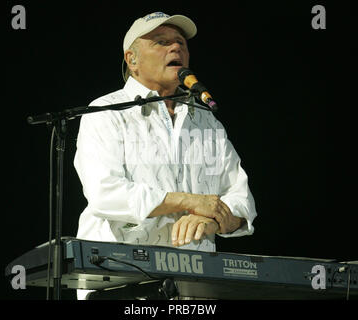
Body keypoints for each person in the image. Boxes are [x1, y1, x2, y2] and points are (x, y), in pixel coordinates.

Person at [74, 12, 257, 300]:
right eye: (161, 42)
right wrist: (188, 201)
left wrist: (213, 220)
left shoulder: (207, 122)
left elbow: (242, 201)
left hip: (195, 287)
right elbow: (105, 192)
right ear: (132, 60)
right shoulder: (105, 112)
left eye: (181, 43)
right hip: (120, 281)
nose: (176, 49)